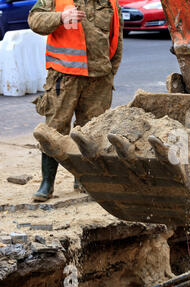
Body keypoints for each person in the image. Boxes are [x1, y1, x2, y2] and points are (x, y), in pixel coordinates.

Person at [28, 0, 123, 202]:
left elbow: (117, 39)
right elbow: (34, 20)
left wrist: (110, 72)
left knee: (91, 130)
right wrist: (60, 18)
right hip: (64, 76)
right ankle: (47, 184)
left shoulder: (110, 3)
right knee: (54, 129)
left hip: (99, 78)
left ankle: (84, 179)